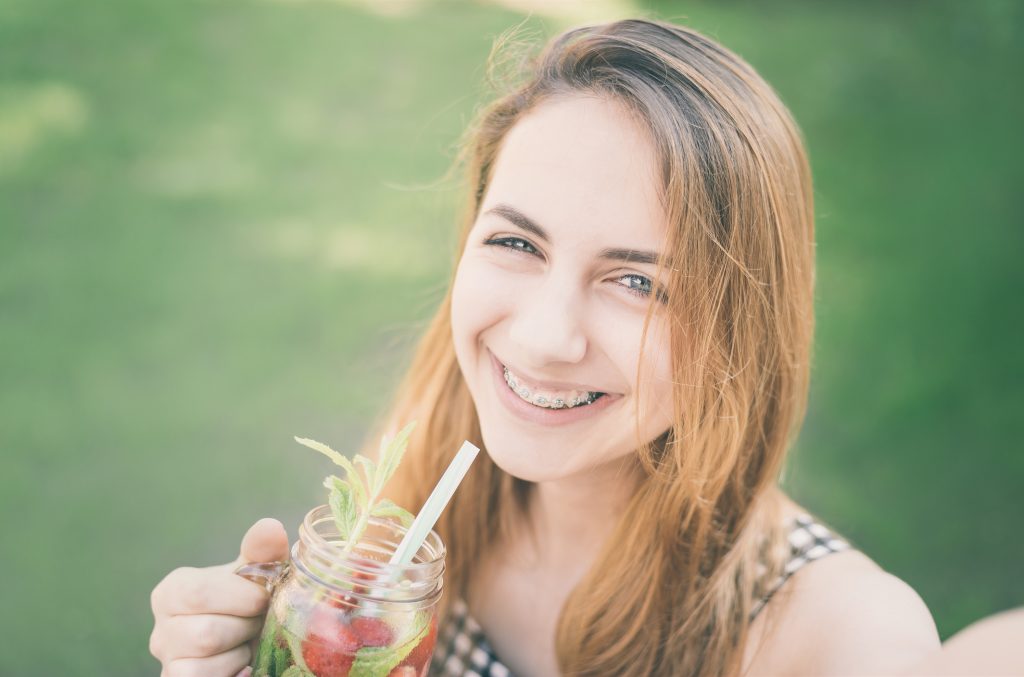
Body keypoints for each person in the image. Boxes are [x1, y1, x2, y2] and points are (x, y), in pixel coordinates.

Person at [149, 18, 945, 676]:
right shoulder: (425, 482)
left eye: (638, 283)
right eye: (517, 244)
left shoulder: (843, 637)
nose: (542, 337)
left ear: (739, 329)